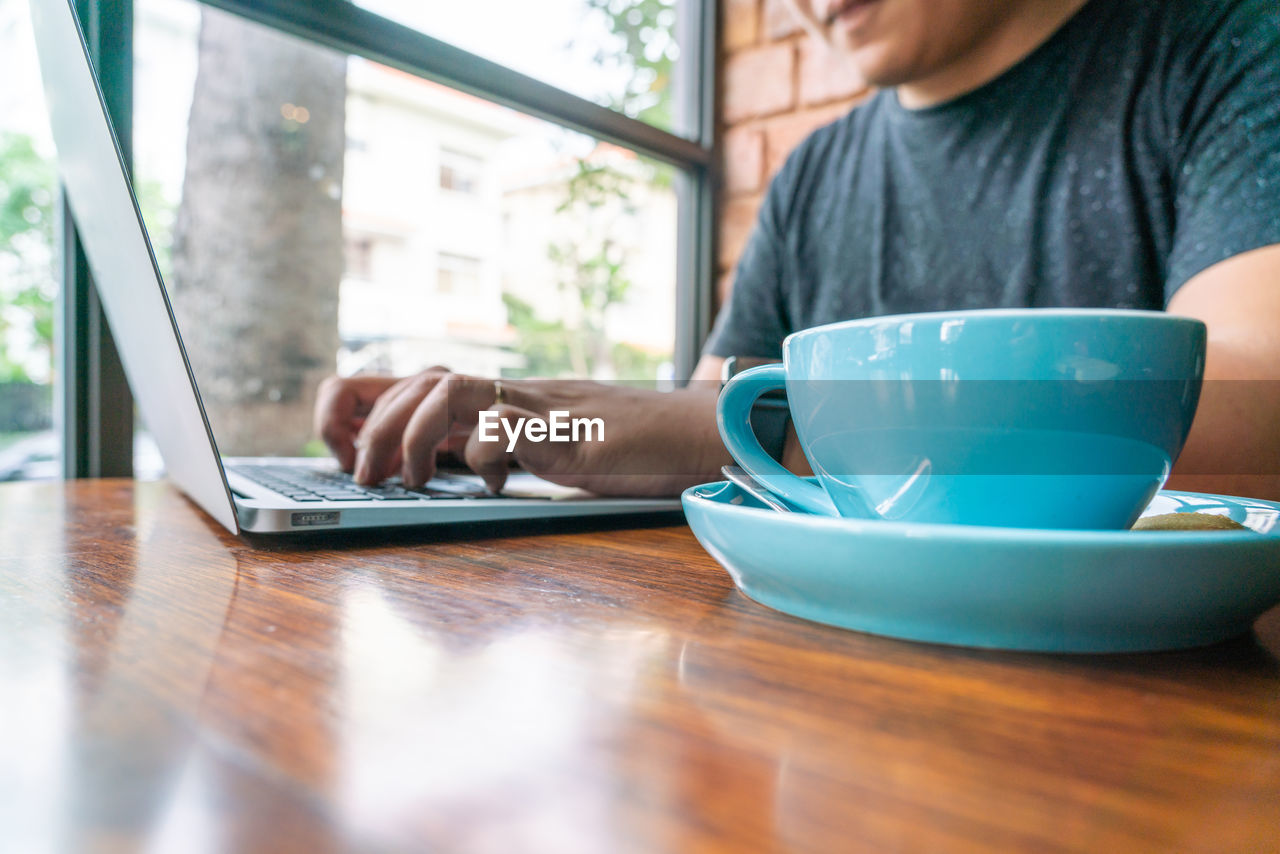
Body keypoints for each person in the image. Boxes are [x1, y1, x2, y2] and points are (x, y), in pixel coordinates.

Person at [316, 0, 1280, 501]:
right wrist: (512, 431)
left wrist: (754, 427)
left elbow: (1259, 413)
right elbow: (688, 434)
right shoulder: (815, 172)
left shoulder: (1223, 46)